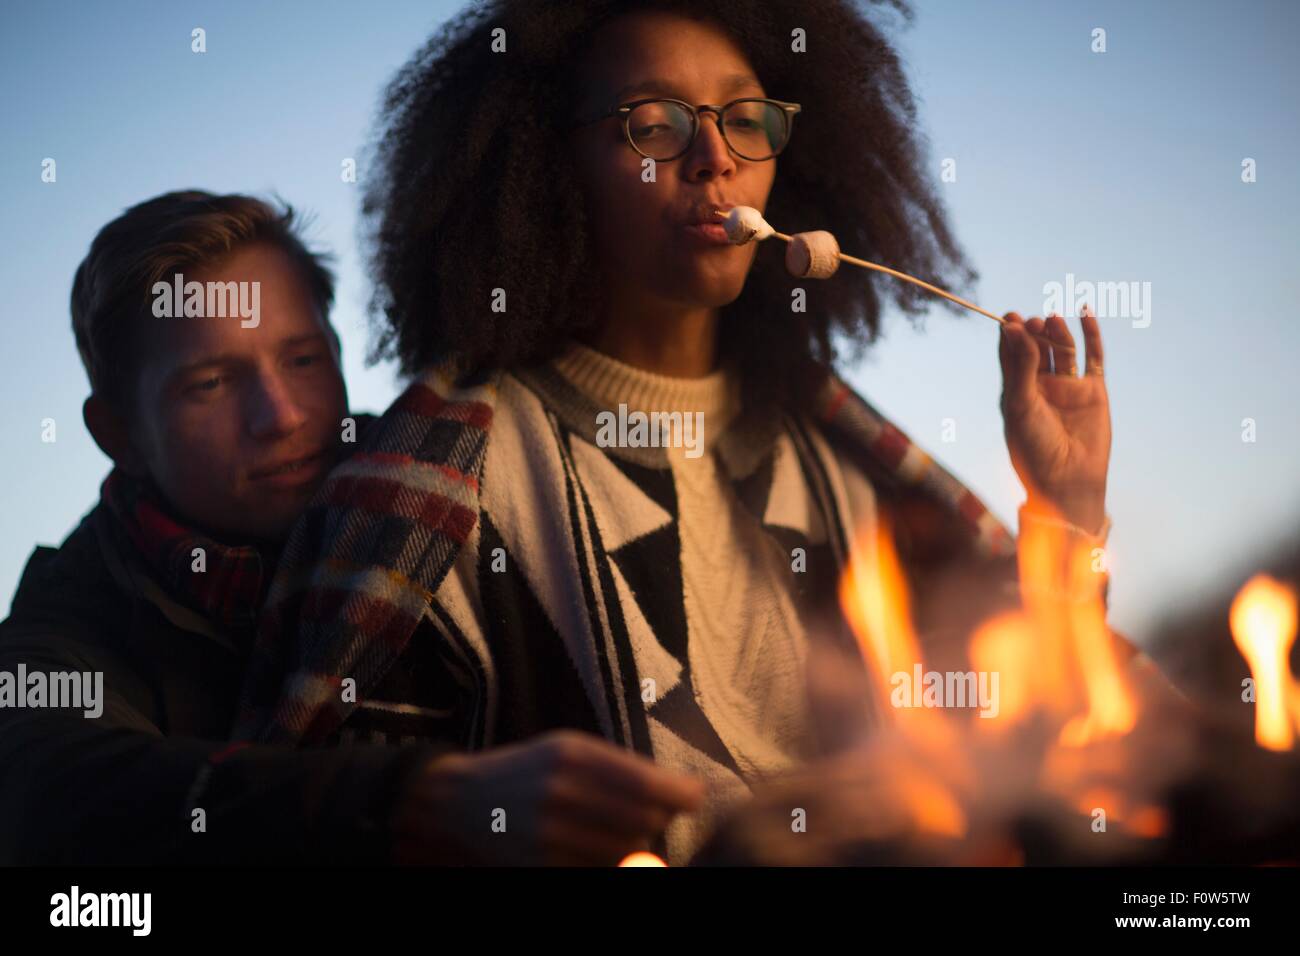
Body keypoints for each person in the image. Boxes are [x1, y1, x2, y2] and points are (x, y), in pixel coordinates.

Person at [235, 0, 1129, 866]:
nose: (714, 159)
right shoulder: (441, 502)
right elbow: (350, 826)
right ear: (546, 165)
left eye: (747, 119)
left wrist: (1067, 513)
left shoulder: (848, 470)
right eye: (653, 124)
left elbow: (1038, 739)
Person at [0, 191, 442, 863]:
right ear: (119, 435)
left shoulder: (441, 491)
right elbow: (57, 787)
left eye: (303, 359)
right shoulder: (67, 623)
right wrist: (411, 799)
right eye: (209, 383)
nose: (283, 417)